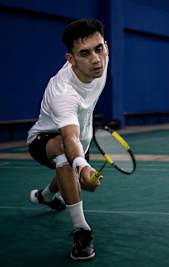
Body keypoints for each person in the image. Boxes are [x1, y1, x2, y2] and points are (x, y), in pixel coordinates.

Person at [26, 18, 109, 261]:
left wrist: (80, 164)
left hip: (82, 136)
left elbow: (77, 139)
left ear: (106, 46)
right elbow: (68, 137)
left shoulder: (101, 60)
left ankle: (46, 195)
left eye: (99, 49)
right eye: (84, 53)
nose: (95, 59)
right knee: (66, 155)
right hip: (44, 139)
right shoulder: (62, 91)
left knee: (72, 173)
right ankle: (82, 232)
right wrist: (82, 165)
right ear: (70, 59)